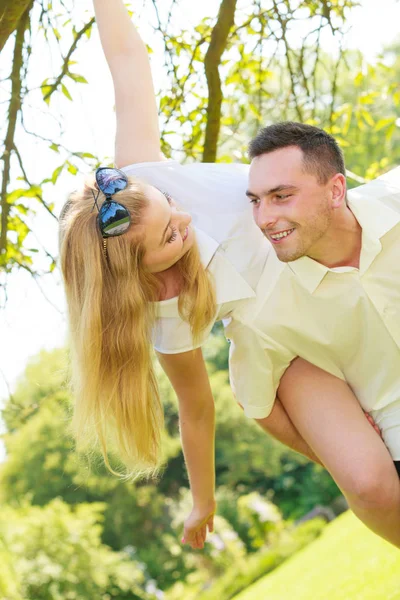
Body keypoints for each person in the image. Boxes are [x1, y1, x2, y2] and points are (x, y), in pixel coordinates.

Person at [58, 0, 397, 552]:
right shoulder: (162, 310)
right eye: (169, 237)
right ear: (143, 282)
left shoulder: (139, 177)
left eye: (171, 206)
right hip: (283, 340)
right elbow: (196, 408)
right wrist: (203, 502)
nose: (185, 219)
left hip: (326, 253)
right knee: (371, 482)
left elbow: (125, 62)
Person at [227, 121, 400, 548]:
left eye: (281, 196)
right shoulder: (261, 312)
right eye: (256, 201)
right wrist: (338, 455)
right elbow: (258, 404)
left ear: (336, 190)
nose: (265, 218)